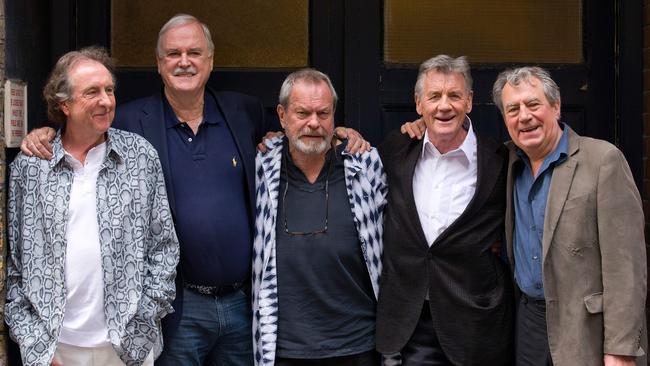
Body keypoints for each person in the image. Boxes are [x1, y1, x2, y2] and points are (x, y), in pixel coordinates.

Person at [20, 14, 369, 366]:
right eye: (173, 54)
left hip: (240, 304)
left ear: (210, 61)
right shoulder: (127, 121)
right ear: (159, 64)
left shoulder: (242, 111)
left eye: (194, 53)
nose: (184, 62)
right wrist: (45, 133)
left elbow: (304, 130)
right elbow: (80, 130)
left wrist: (342, 134)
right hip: (179, 309)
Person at [5, 47, 179, 366]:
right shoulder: (31, 169)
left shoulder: (140, 157)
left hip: (126, 347)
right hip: (57, 348)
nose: (106, 100)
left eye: (109, 90)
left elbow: (164, 249)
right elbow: (16, 266)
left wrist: (140, 332)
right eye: (92, 92)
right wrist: (37, 347)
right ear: (64, 103)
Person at [491, 66, 647, 366]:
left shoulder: (602, 161)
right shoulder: (507, 161)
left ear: (556, 106)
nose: (524, 116)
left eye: (533, 104)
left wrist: (620, 348)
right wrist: (420, 126)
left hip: (587, 329)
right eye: (513, 109)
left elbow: (626, 266)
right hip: (529, 324)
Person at [376, 55, 514, 365]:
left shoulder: (499, 160)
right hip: (409, 322)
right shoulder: (396, 150)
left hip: (475, 322)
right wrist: (341, 134)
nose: (444, 105)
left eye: (454, 95)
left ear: (469, 101)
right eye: (434, 96)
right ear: (418, 103)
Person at [252, 68, 387, 366]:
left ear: (334, 116)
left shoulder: (364, 164)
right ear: (282, 115)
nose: (314, 123)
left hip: (356, 344)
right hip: (285, 348)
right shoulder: (262, 164)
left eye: (323, 113)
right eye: (302, 113)